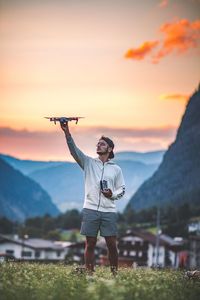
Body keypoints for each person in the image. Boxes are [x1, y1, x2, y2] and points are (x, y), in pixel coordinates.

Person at [60, 121, 125, 275]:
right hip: (90, 209)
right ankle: (90, 275)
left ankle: (114, 275)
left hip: (109, 210)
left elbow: (122, 189)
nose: (98, 146)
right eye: (97, 144)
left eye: (102, 144)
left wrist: (112, 194)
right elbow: (74, 151)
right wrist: (67, 132)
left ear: (109, 149)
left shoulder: (116, 169)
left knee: (112, 245)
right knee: (90, 243)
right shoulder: (88, 162)